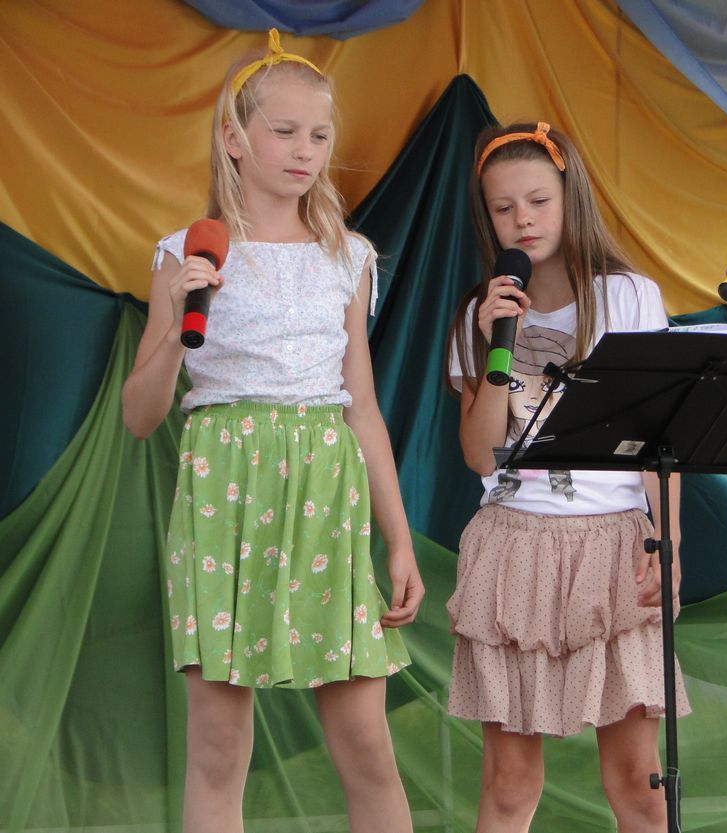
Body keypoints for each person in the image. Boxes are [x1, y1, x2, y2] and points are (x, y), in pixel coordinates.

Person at [121, 29, 423, 833]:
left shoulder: (348, 256)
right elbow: (140, 414)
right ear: (233, 137)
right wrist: (176, 319)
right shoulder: (184, 253)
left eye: (319, 135)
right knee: (219, 749)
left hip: (326, 490)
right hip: (224, 489)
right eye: (284, 131)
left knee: (366, 744)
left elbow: (361, 405)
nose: (305, 151)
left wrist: (396, 540)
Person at [446, 121, 690, 832]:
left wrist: (667, 543)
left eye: (538, 201)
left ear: (570, 198)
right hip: (513, 545)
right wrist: (497, 345)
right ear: (487, 218)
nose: (522, 219)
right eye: (503, 208)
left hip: (614, 544)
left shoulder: (629, 297)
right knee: (509, 784)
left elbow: (659, 442)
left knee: (638, 781)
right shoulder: (478, 314)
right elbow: (478, 455)